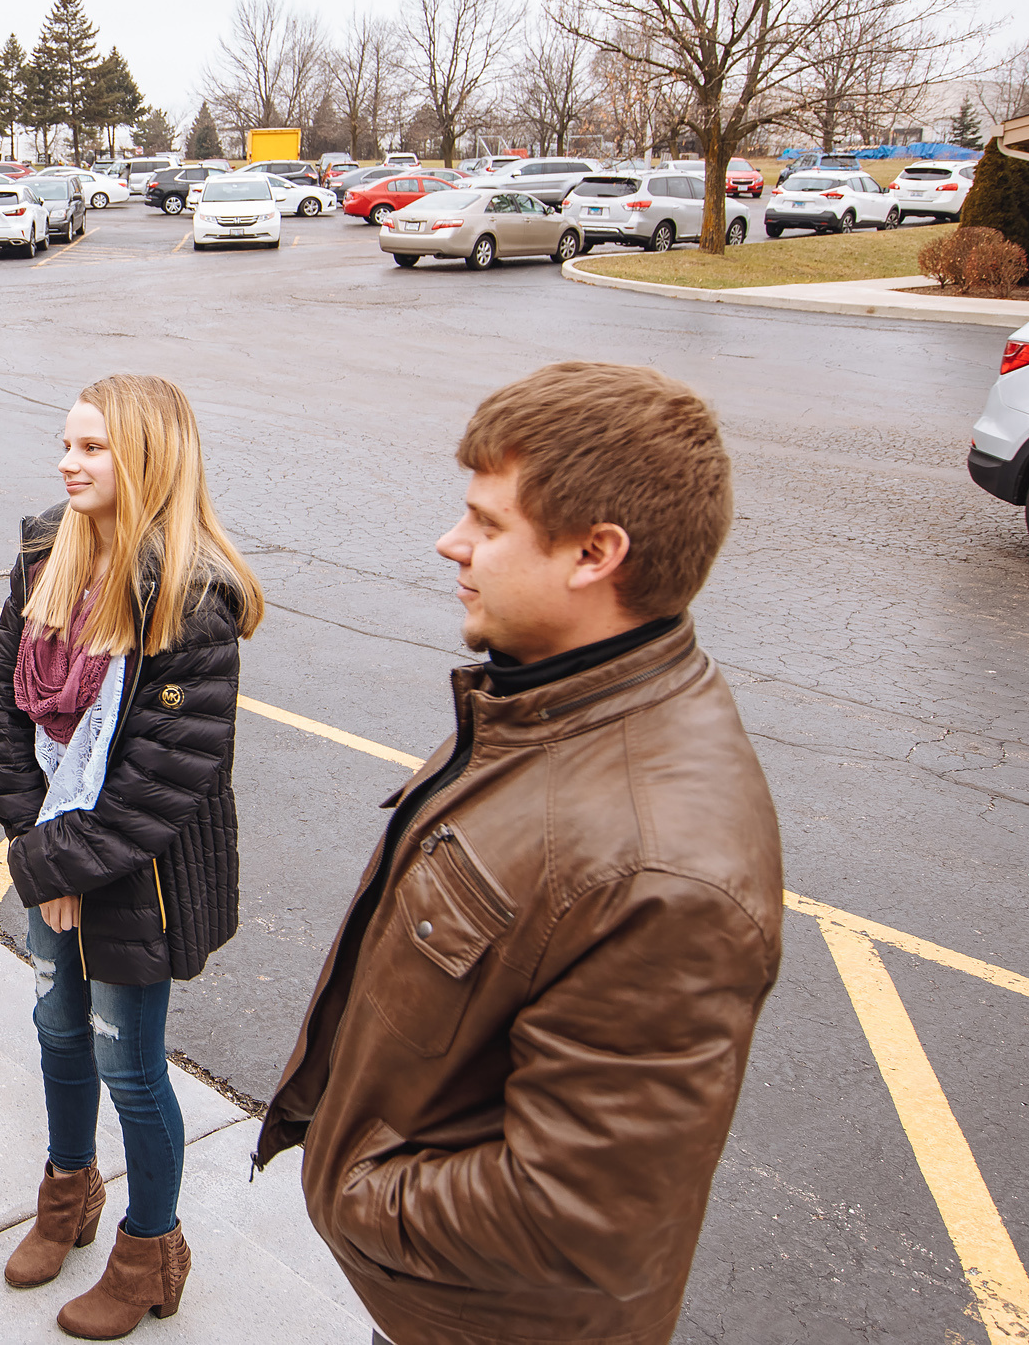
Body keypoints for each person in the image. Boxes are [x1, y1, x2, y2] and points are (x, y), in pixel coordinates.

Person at [254, 362, 782, 1345]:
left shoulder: (664, 874)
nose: (450, 544)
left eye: (487, 525)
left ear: (595, 554)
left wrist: (349, 1189)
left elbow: (573, 1213)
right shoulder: (546, 699)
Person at [0, 374, 263, 1340]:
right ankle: (69, 1192)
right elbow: (5, 718)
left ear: (146, 458)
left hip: (132, 877)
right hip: (51, 854)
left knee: (130, 1066)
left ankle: (151, 1248)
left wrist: (54, 866)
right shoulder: (42, 556)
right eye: (67, 443)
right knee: (55, 1029)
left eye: (93, 447)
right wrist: (31, 841)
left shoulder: (192, 603)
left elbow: (161, 782)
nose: (69, 461)